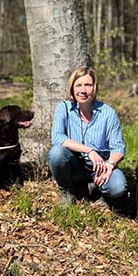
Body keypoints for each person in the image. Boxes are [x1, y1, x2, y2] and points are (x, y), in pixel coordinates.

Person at [47, 66, 127, 208]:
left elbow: (119, 148)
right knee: (56, 153)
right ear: (72, 88)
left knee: (118, 187)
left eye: (88, 85)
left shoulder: (108, 113)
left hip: (100, 167)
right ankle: (67, 191)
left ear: (94, 87)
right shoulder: (64, 108)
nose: (83, 90)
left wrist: (109, 164)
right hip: (74, 166)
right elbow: (58, 138)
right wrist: (89, 150)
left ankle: (99, 192)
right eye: (78, 85)